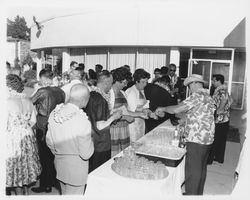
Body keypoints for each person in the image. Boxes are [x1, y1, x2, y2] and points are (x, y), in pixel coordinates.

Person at [155, 74, 216, 195]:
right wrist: (186, 120)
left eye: (189, 85)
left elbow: (177, 109)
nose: (189, 88)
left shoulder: (197, 95)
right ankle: (197, 193)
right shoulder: (208, 96)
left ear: (194, 84)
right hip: (207, 138)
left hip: (197, 139)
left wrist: (162, 108)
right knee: (201, 168)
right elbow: (200, 114)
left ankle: (191, 194)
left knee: (192, 170)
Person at [46, 84, 94, 195]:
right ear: (83, 100)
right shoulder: (82, 120)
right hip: (76, 169)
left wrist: (59, 152)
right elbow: (86, 154)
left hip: (59, 163)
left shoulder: (55, 113)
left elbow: (49, 140)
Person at [6, 74, 41, 195]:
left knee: (16, 168)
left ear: (9, 87)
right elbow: (34, 121)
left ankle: (19, 194)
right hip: (27, 136)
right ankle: (25, 191)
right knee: (25, 166)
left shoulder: (7, 101)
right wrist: (24, 127)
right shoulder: (27, 100)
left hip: (13, 138)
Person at [31, 69, 65, 193]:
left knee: (44, 156)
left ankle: (45, 185)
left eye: (40, 79)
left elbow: (30, 102)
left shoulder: (42, 91)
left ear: (44, 79)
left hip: (43, 126)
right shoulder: (61, 91)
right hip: (57, 125)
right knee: (53, 155)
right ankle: (53, 181)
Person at [86, 70, 122, 172]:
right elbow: (100, 125)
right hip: (101, 142)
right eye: (111, 83)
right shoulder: (100, 99)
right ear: (106, 82)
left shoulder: (91, 95)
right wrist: (114, 117)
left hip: (91, 140)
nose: (111, 86)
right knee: (99, 171)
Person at [110, 67, 147, 156]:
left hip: (124, 129)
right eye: (124, 83)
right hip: (114, 130)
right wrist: (127, 117)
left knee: (125, 154)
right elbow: (110, 113)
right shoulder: (109, 94)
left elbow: (128, 111)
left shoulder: (123, 93)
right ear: (117, 80)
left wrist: (140, 114)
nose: (125, 85)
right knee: (114, 155)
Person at [207, 74, 231, 164]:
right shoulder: (221, 89)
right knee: (220, 139)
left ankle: (210, 159)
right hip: (224, 119)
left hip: (220, 119)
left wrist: (218, 111)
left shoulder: (221, 90)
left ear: (218, 81)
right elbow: (230, 100)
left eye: (213, 80)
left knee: (214, 138)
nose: (212, 82)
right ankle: (218, 157)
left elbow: (224, 101)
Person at [125, 69, 152, 142]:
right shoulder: (131, 92)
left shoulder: (141, 90)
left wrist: (149, 112)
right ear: (136, 81)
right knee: (134, 142)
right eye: (143, 82)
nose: (145, 84)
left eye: (146, 82)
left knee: (141, 141)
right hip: (133, 123)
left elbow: (144, 106)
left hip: (141, 121)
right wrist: (144, 111)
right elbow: (131, 111)